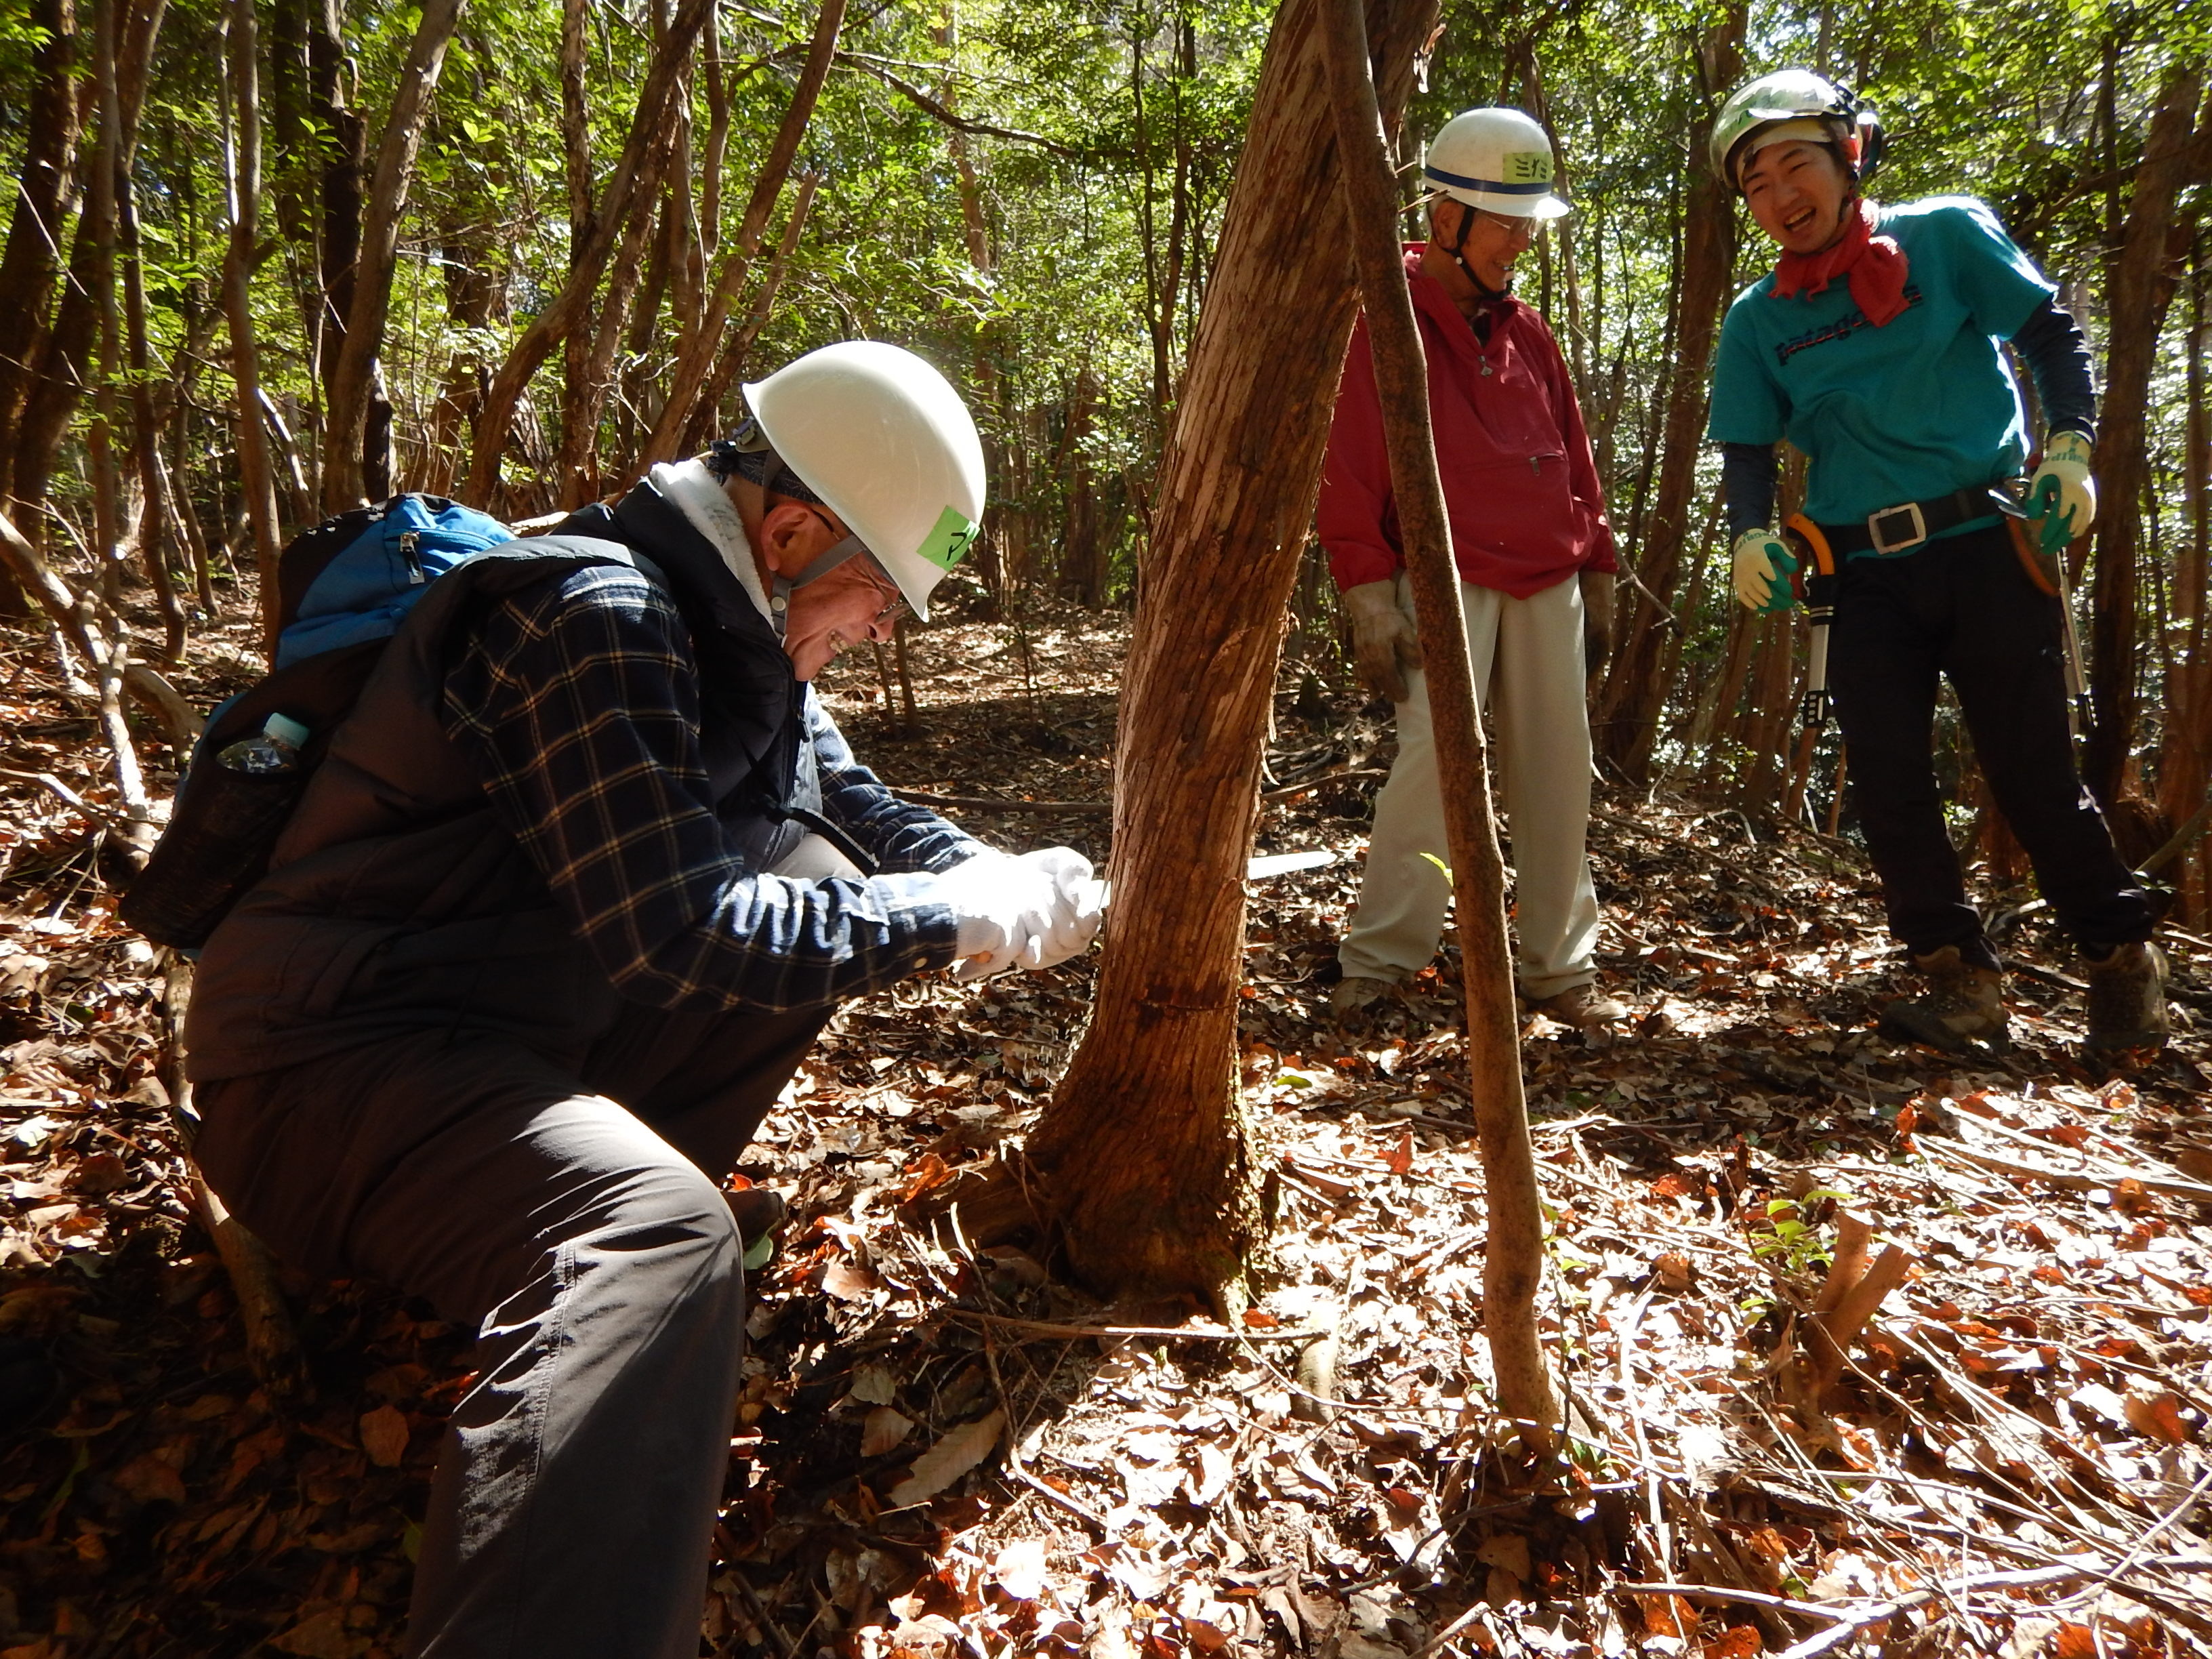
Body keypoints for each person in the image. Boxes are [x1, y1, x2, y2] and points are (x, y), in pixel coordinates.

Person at [180, 341, 1102, 1658]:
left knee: (824, 872)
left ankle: (560, 1255)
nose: (878, 632)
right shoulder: (595, 615)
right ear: (791, 529)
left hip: (482, 1036)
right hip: (323, 1070)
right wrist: (956, 921)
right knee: (664, 1236)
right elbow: (683, 937)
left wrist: (1003, 879)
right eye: (878, 598)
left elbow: (858, 815)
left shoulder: (745, 644)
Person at [1705, 69, 2166, 1059]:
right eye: (1756, 183)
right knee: (1887, 778)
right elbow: (1745, 448)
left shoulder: (1945, 236)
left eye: (1796, 163)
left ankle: (2122, 959)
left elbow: (2049, 334)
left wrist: (2073, 448)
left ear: (1849, 153)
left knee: (2031, 769)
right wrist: (1751, 533)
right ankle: (1957, 976)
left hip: (1987, 543)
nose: (1781, 195)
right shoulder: (1757, 321)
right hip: (1861, 573)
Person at [1321, 106, 1624, 1030]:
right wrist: (1368, 594)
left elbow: (1573, 456)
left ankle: (1558, 971)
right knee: (1431, 767)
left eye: (1529, 220)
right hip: (1443, 579)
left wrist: (1599, 569)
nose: (1522, 239)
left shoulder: (1528, 331)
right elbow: (1351, 465)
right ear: (1446, 218)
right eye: (1507, 220)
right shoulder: (1383, 321)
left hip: (1548, 580)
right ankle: (1380, 963)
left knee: (1557, 770)